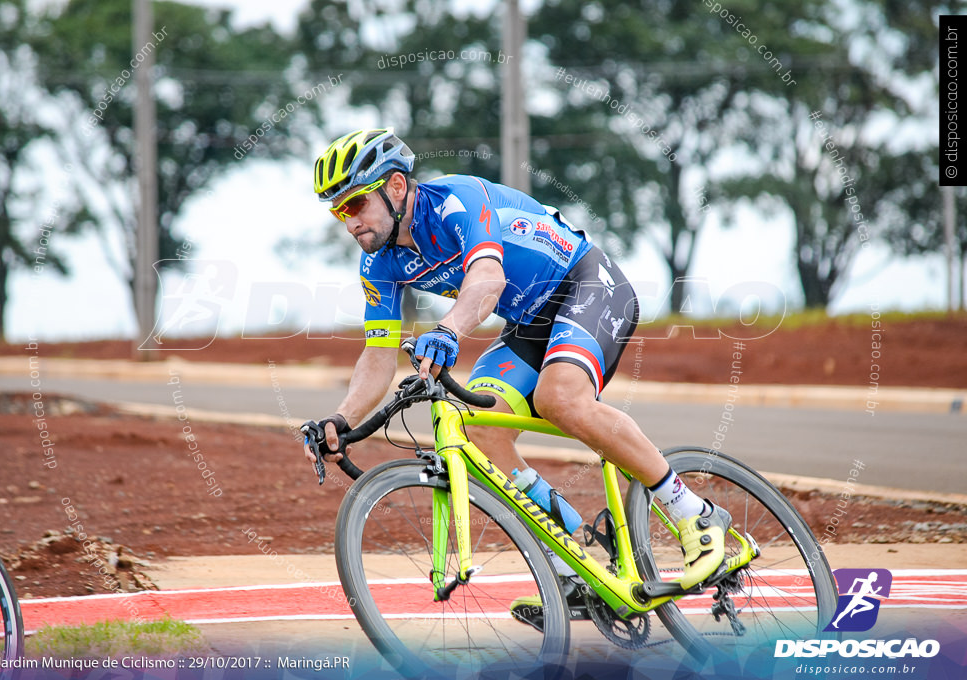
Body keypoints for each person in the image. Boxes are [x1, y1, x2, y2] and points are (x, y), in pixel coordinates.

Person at [304, 127, 732, 620]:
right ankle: (575, 567)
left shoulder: (457, 203)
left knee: (560, 398)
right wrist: (340, 418)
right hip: (530, 322)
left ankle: (694, 515)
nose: (349, 221)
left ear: (396, 187)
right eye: (338, 212)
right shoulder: (378, 262)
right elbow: (377, 354)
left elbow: (488, 277)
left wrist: (447, 331)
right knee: (477, 428)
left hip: (586, 284)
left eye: (355, 205)